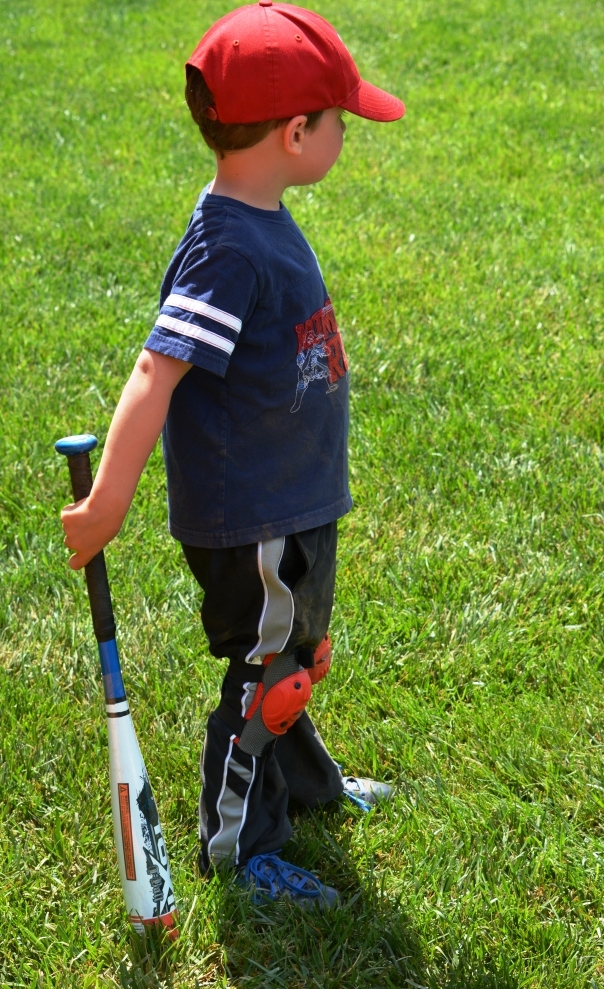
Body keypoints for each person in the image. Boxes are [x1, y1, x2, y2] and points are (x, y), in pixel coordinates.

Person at [60, 1, 405, 908]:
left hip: (292, 502)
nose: (345, 134)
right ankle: (239, 848)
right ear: (294, 133)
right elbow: (156, 370)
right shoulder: (226, 251)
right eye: (338, 121)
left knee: (294, 655)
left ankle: (309, 788)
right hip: (253, 518)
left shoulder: (257, 216)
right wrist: (107, 501)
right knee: (266, 675)